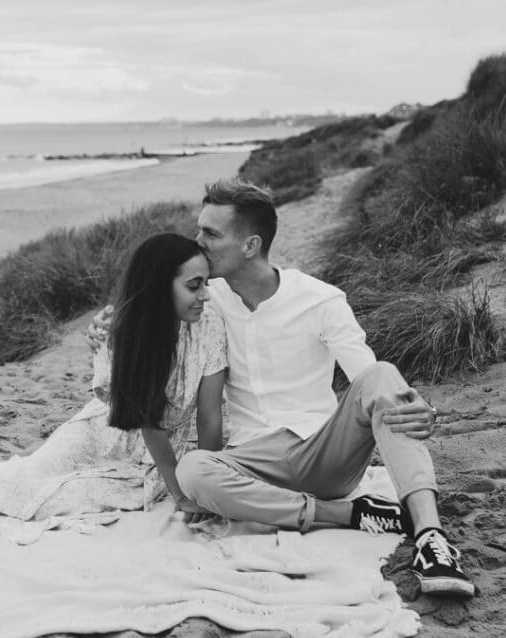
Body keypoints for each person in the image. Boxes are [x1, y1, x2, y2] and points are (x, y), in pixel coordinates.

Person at [86, 179, 475, 599]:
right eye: (199, 230)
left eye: (211, 234)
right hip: (251, 463)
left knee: (382, 373)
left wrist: (421, 408)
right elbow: (149, 303)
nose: (197, 242)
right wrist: (108, 324)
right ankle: (345, 515)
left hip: (322, 451)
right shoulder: (206, 298)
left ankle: (431, 539)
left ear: (251, 245)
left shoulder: (320, 300)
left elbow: (368, 378)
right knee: (194, 470)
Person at [0, 233, 227, 523]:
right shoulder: (122, 332)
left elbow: (209, 417)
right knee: (32, 476)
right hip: (106, 429)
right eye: (194, 285)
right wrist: (180, 494)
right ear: (158, 288)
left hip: (162, 454)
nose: (205, 295)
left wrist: (204, 486)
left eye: (206, 284)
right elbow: (146, 421)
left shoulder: (209, 326)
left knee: (64, 500)